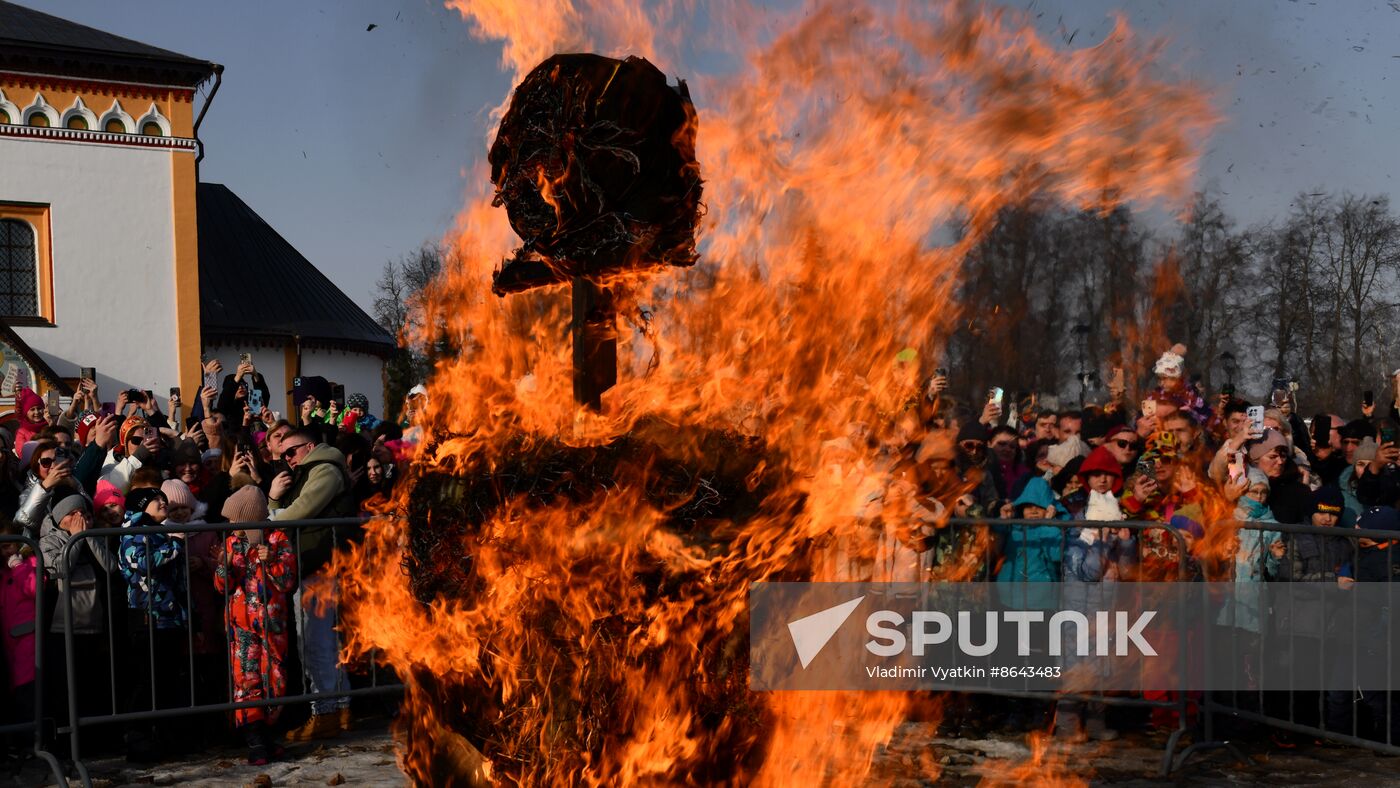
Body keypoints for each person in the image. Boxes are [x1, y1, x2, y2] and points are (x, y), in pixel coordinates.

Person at [268, 429, 357, 741]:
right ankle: (339, 710)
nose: (288, 460)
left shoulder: (323, 470)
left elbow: (301, 510)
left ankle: (326, 713)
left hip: (318, 565)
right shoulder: (311, 470)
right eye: (283, 456)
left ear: (310, 446)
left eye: (291, 452)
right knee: (323, 641)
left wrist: (272, 509)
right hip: (314, 563)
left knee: (314, 640)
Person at [215, 486, 298, 765]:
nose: (230, 526)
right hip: (242, 627)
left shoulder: (277, 539)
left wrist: (272, 560)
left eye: (235, 520)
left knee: (274, 678)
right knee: (246, 680)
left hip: (273, 625)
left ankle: (269, 735)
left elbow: (287, 581)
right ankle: (255, 742)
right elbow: (221, 586)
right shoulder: (230, 544)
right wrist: (223, 567)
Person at [117, 487, 189, 760]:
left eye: (164, 498)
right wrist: (176, 546)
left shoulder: (160, 531)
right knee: (147, 681)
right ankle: (138, 738)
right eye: (156, 499)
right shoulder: (132, 531)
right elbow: (142, 561)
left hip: (170, 617)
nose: (164, 502)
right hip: (147, 619)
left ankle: (166, 738)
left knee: (168, 681)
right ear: (141, 506)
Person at [1, 521, 38, 744]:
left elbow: (35, 588)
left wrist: (19, 567)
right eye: (4, 547)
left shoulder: (29, 562)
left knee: (27, 692)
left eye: (13, 544)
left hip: (27, 639)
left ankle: (30, 740)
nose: (11, 550)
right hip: (8, 644)